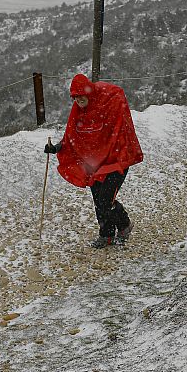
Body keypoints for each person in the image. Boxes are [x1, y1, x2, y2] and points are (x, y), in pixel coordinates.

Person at [44, 73, 143, 248]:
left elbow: (118, 130)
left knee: (106, 200)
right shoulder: (78, 110)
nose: (78, 101)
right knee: (99, 200)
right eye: (75, 98)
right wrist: (57, 148)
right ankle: (107, 235)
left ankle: (124, 225)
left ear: (89, 94)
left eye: (81, 97)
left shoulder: (108, 103)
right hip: (94, 164)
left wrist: (114, 153)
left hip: (114, 160)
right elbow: (71, 137)